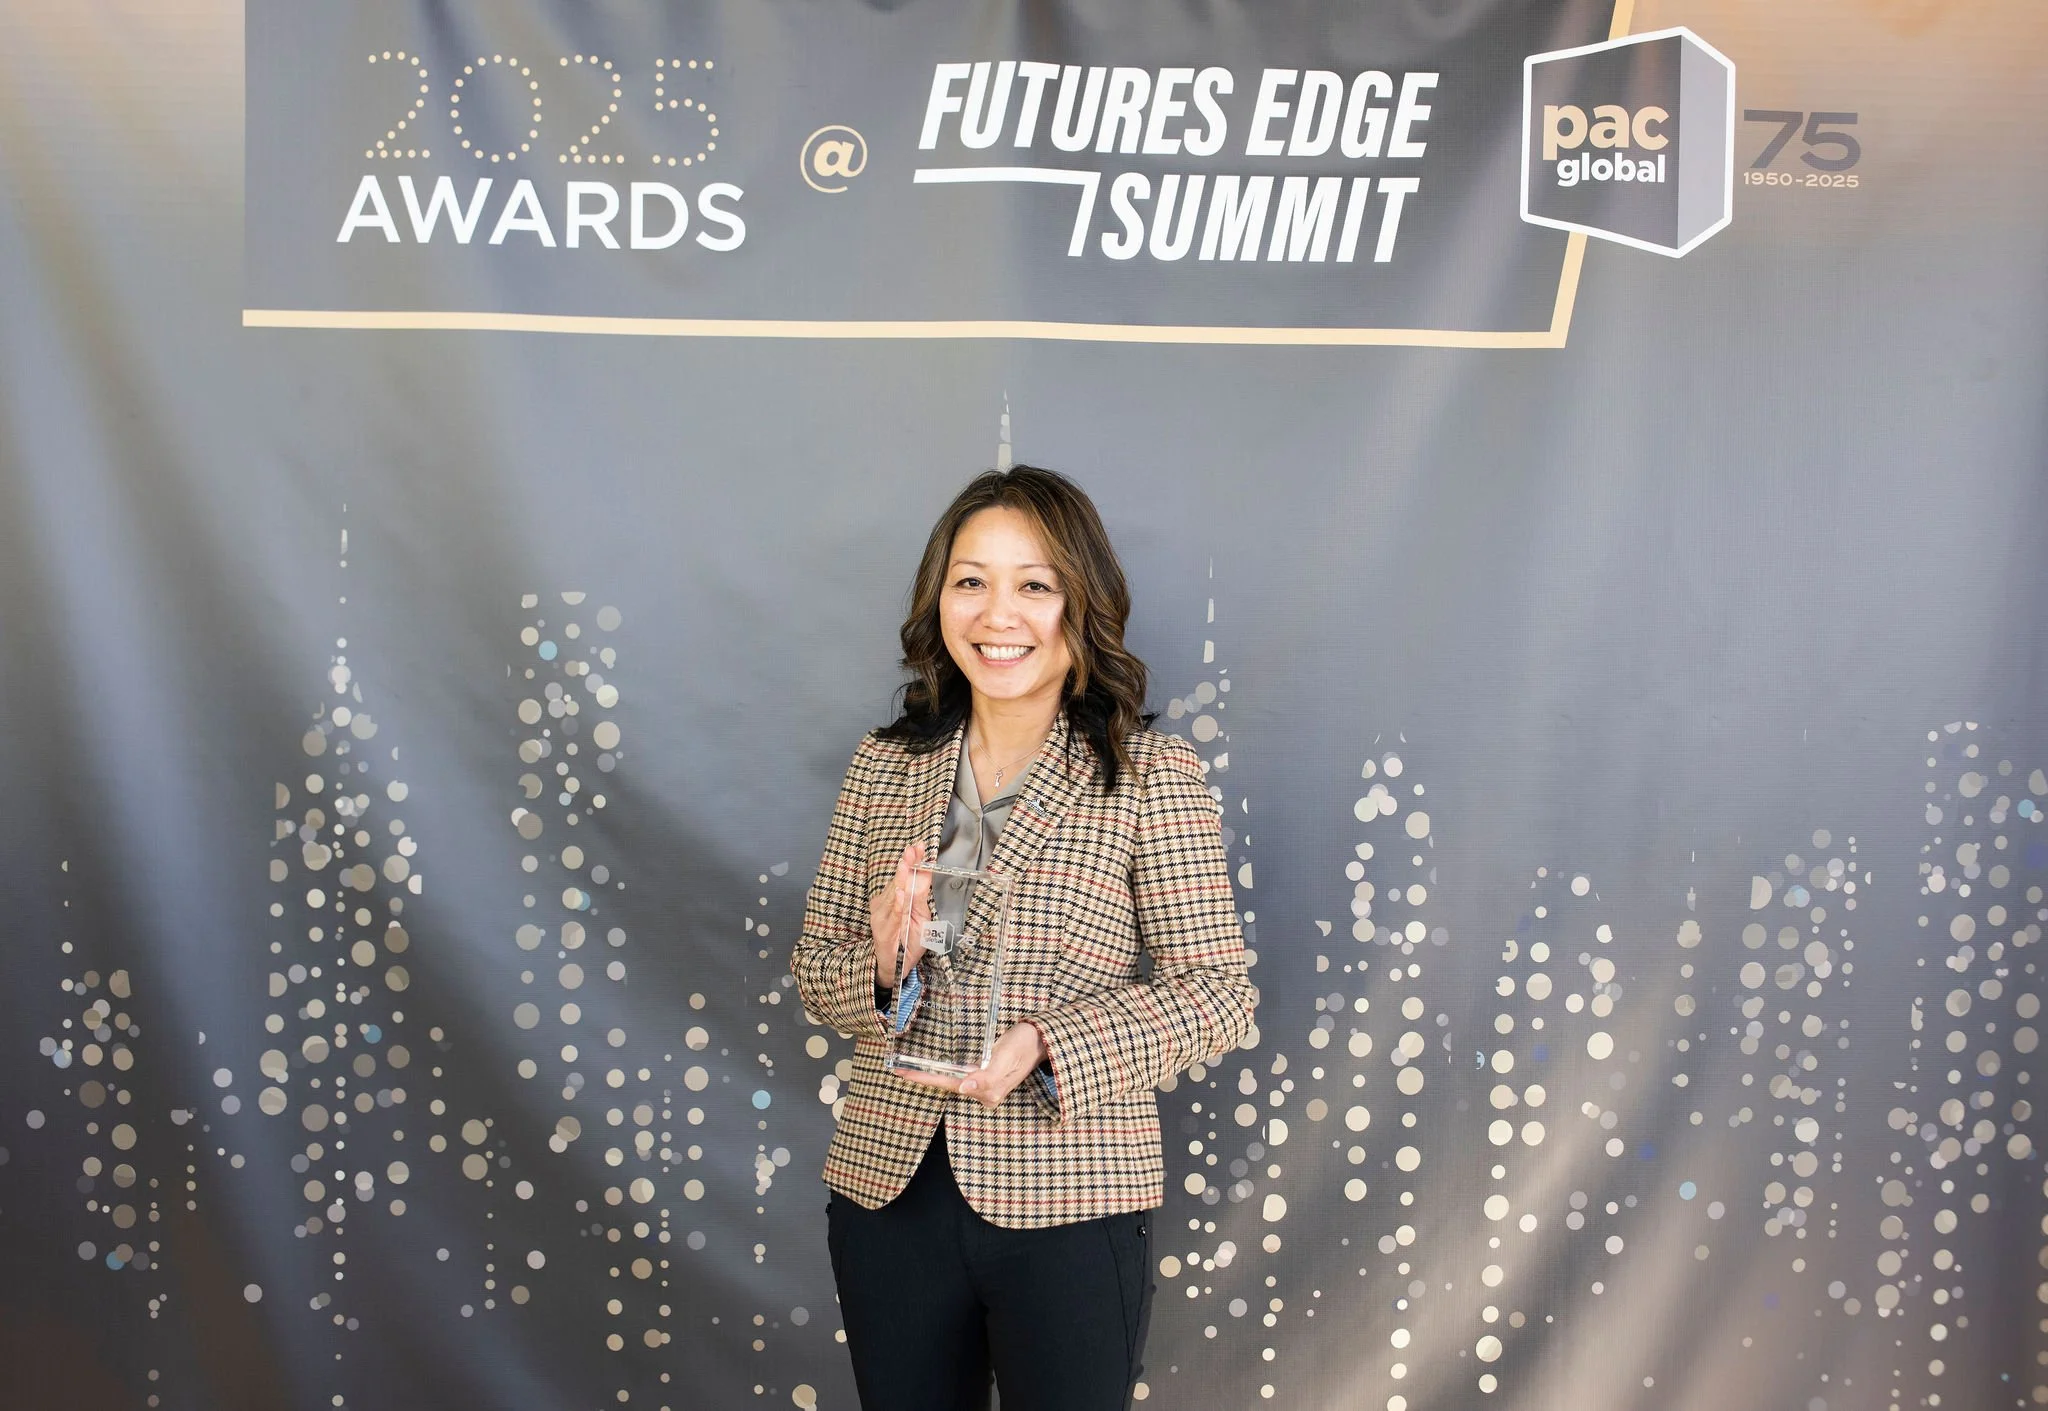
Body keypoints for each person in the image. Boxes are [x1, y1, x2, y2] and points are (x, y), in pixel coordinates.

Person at [791, 465, 1258, 1411]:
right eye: (971, 580)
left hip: (1072, 1193)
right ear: (939, 599)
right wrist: (882, 969)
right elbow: (814, 970)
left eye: (1034, 584)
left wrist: (1051, 1042)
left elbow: (1218, 992)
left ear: (1081, 604)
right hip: (890, 1190)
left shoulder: (1149, 773)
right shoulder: (884, 767)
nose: (997, 614)